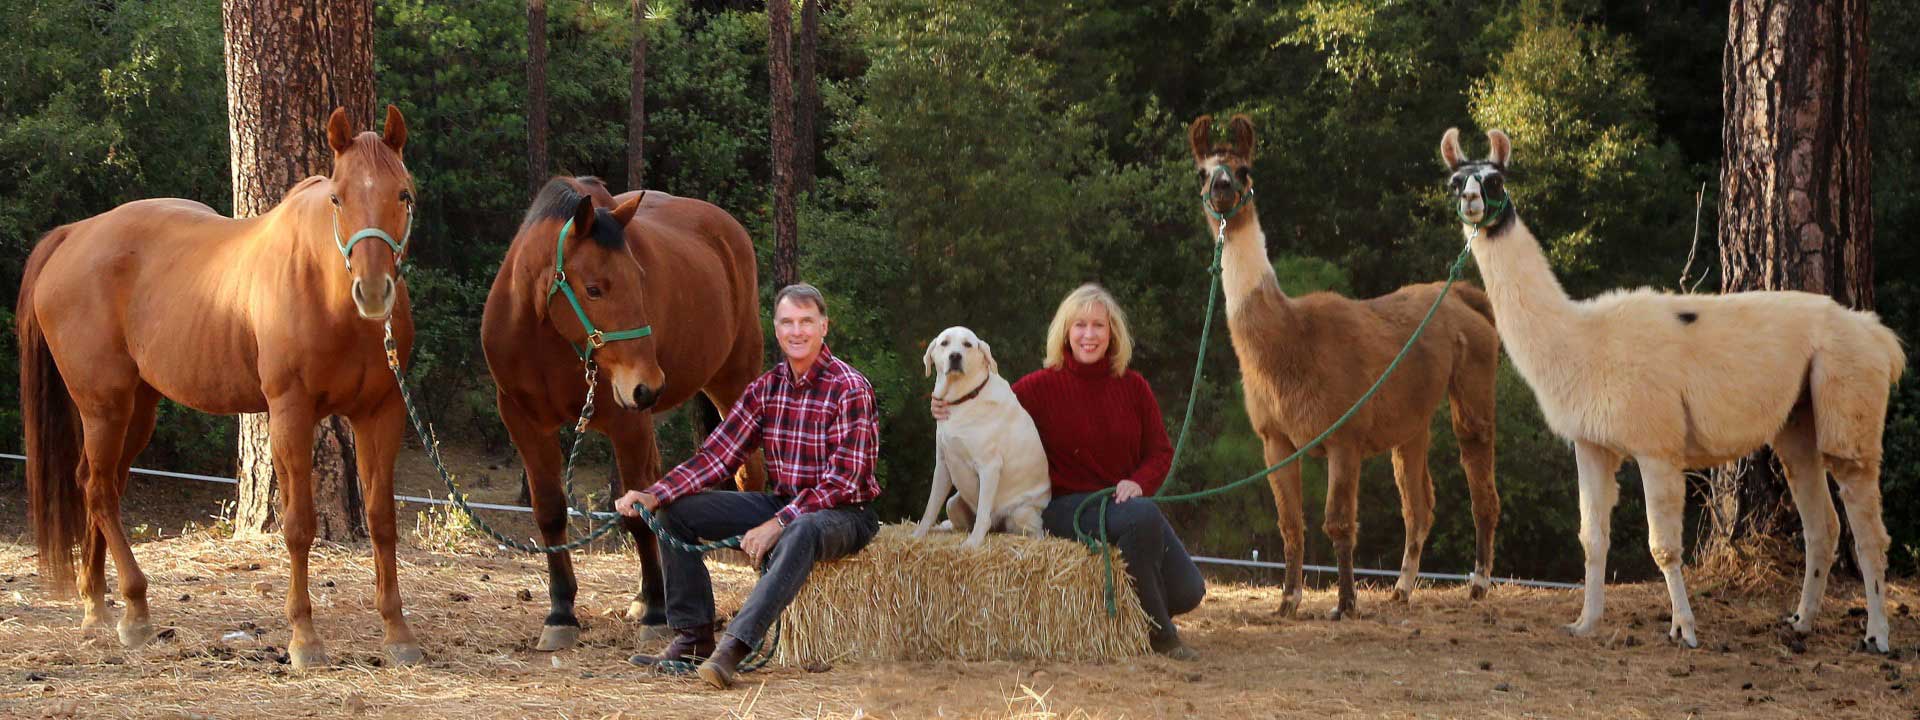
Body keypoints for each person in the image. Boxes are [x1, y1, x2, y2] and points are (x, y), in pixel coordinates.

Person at [615, 283, 881, 689]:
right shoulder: (766, 388)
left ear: (824, 327)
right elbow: (717, 456)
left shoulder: (850, 388)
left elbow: (844, 481)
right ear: (775, 330)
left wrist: (780, 522)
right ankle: (693, 638)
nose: (797, 331)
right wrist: (654, 494)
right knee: (672, 514)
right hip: (784, 502)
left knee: (803, 528)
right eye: (788, 322)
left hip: (846, 515)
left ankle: (734, 649)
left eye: (806, 322)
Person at [932, 283, 1206, 659]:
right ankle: (1162, 638)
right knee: (1142, 518)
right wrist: (946, 409)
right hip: (1062, 506)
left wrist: (1139, 482)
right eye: (1080, 325)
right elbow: (985, 403)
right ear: (1066, 332)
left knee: (1190, 591)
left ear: (1113, 334)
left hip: (1123, 502)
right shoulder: (1038, 388)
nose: (1089, 335)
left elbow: (1160, 452)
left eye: (1098, 325)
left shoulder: (1135, 387)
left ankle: (1119, 619)